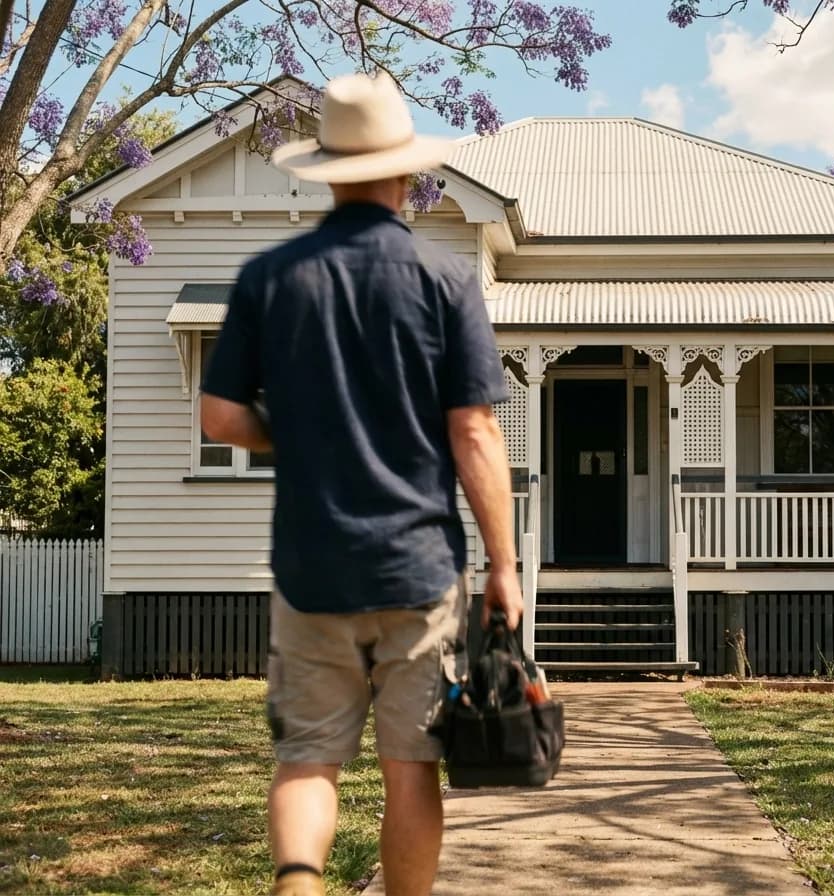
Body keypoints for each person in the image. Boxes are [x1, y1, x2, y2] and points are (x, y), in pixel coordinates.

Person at [200, 73, 522, 896]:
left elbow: (221, 420)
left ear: (328, 171)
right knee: (411, 766)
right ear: (406, 172)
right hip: (416, 571)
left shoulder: (268, 278)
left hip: (311, 571)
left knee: (307, 757)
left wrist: (301, 433)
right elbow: (474, 431)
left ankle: (299, 881)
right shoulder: (445, 280)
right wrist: (504, 568)